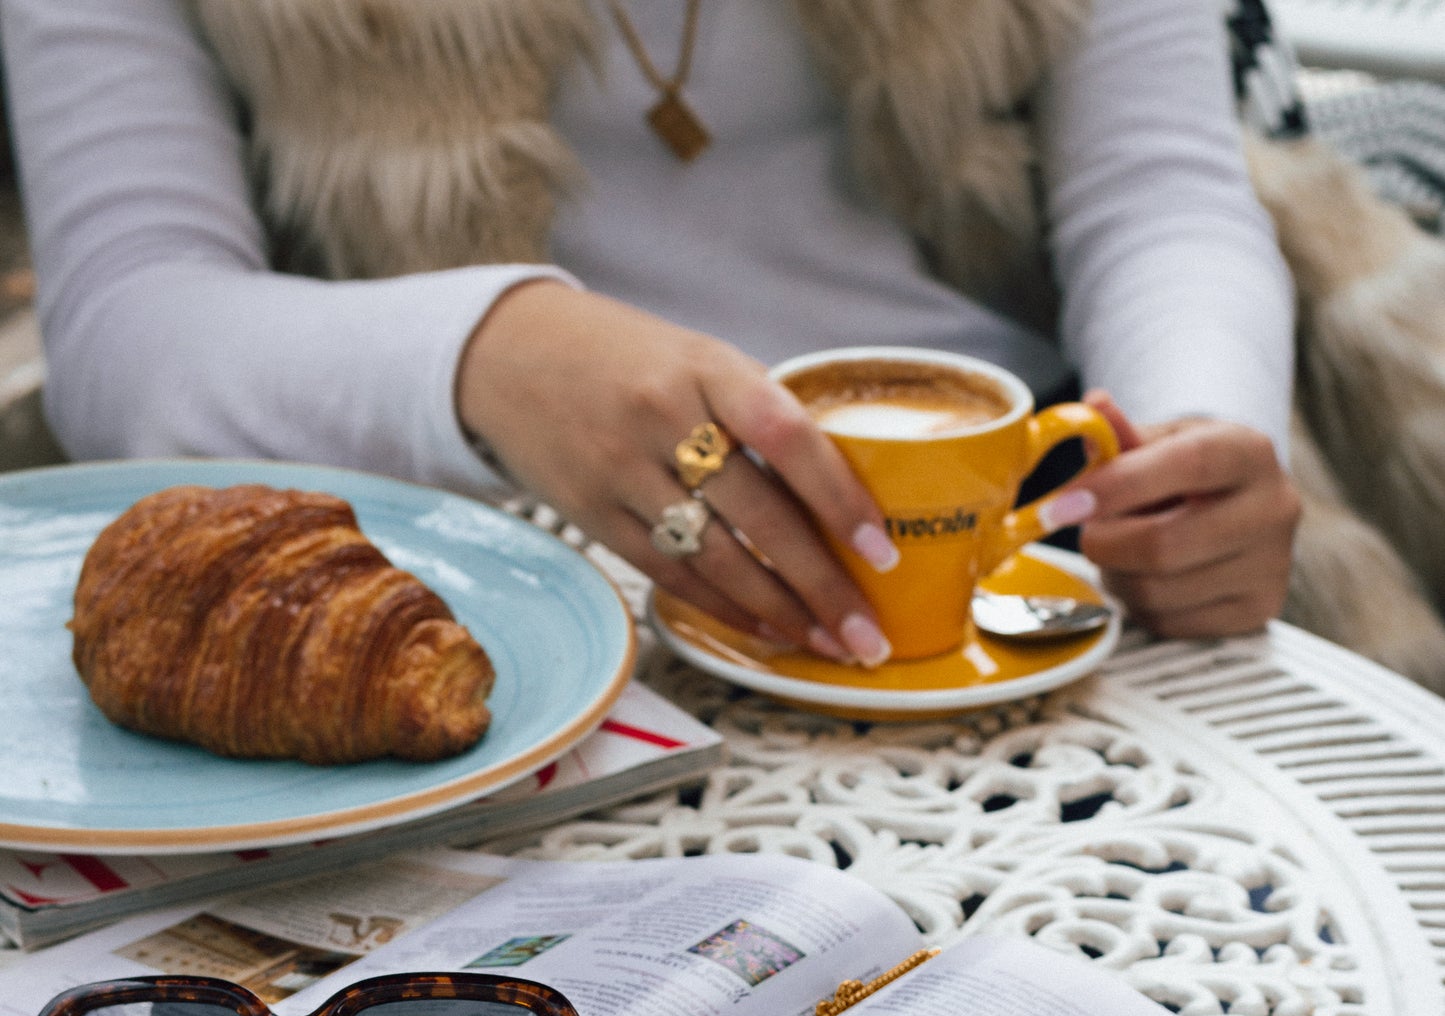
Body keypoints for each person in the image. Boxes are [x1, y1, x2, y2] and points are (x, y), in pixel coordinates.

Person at [0, 0, 1301, 665]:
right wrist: (485, 349)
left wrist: (1192, 432)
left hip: (1018, 539)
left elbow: (1157, 191)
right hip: (476, 584)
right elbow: (126, 319)